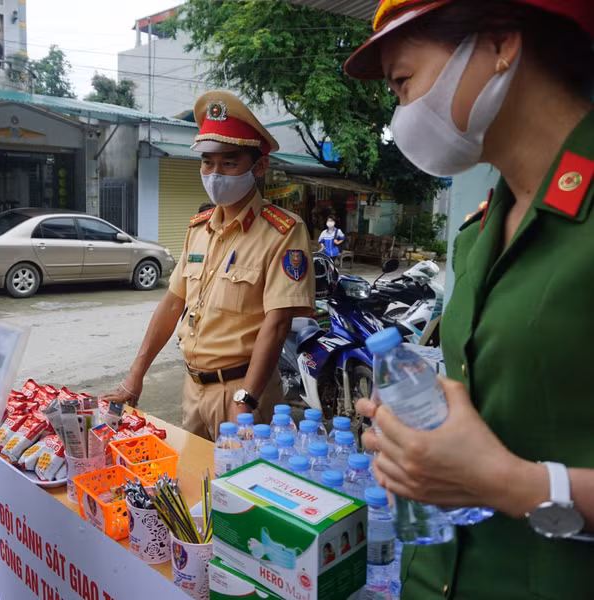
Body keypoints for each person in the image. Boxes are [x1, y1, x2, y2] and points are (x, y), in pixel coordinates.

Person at [344, 1, 594, 598]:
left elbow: (493, 471)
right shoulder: (478, 234)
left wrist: (507, 483)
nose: (401, 112)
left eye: (402, 82)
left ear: (502, 42)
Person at [102, 91, 315, 440]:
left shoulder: (284, 232)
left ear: (258, 167)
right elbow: (172, 304)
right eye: (207, 162)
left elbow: (277, 325)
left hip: (245, 394)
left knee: (243, 491)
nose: (215, 173)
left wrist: (246, 399)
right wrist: (134, 376)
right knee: (195, 485)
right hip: (193, 388)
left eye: (229, 162)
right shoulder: (198, 228)